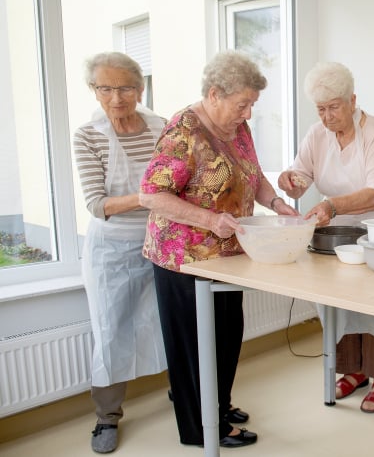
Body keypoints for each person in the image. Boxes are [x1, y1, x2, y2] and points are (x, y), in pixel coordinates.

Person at [139, 50, 298, 448]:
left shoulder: (237, 128)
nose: (248, 113)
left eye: (252, 105)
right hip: (184, 259)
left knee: (226, 336)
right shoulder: (184, 130)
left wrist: (276, 203)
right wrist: (210, 220)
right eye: (242, 104)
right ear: (214, 94)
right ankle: (201, 429)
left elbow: (253, 175)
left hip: (228, 256)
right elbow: (151, 195)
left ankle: (219, 406)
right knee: (195, 346)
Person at [278, 61, 374, 413]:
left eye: (334, 107)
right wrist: (289, 180)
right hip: (339, 230)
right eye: (320, 109)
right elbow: (301, 176)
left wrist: (331, 205)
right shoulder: (317, 135)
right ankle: (353, 371)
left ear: (352, 101)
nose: (327, 117)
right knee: (337, 300)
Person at [72, 52, 169, 453]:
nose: (116, 98)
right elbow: (98, 205)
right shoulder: (87, 136)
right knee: (111, 331)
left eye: (125, 88)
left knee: (172, 322)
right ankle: (107, 417)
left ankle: (185, 393)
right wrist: (148, 198)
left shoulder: (162, 127)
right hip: (111, 249)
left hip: (162, 240)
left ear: (140, 88)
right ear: (94, 90)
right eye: (105, 88)